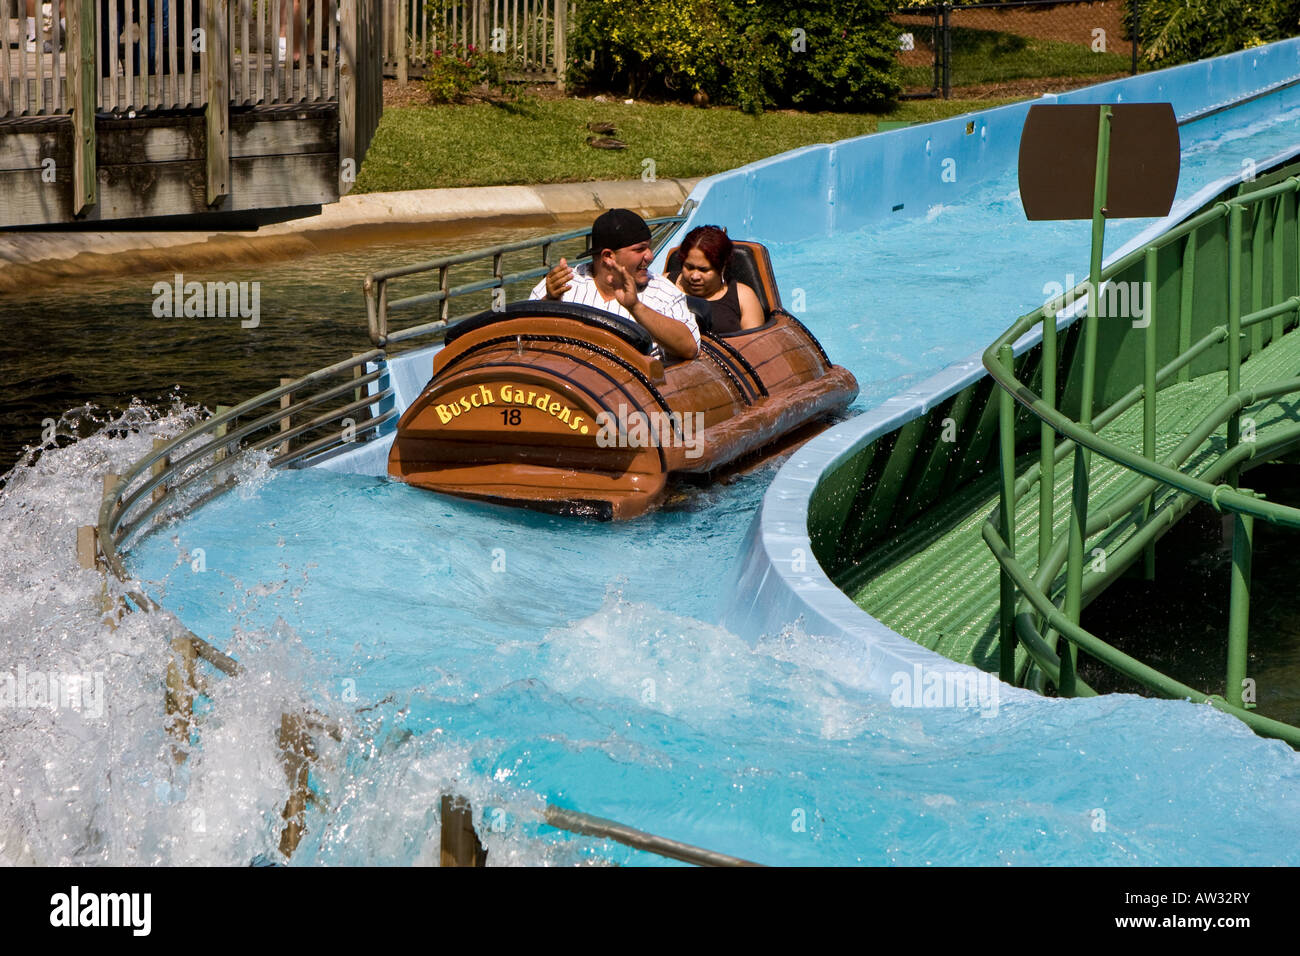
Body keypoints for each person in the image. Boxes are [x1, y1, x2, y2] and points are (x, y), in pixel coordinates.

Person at [530, 208, 700, 360]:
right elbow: (522, 341)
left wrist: (636, 307)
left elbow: (689, 349)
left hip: (635, 389)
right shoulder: (561, 283)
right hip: (568, 387)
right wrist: (549, 301)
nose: (650, 256)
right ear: (608, 257)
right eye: (640, 249)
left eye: (649, 247)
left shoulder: (662, 290)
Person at [671, 225, 764, 333]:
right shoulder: (664, 285)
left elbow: (752, 344)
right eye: (689, 267)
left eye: (704, 270)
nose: (695, 276)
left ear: (722, 267)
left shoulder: (743, 297)